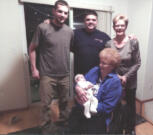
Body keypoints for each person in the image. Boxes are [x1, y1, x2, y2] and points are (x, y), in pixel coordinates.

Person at [28, 0, 74, 134]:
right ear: (54, 11)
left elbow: (68, 48)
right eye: (60, 11)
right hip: (47, 74)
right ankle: (45, 127)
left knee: (65, 102)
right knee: (45, 105)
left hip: (64, 74)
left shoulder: (70, 31)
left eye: (65, 13)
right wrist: (34, 69)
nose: (62, 15)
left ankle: (63, 121)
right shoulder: (42, 28)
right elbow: (32, 49)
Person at [69, 48, 122, 134]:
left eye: (104, 63)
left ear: (112, 66)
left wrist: (87, 105)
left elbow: (106, 108)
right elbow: (81, 82)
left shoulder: (114, 82)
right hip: (81, 109)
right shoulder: (95, 70)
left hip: (98, 117)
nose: (100, 65)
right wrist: (77, 88)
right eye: (100, 62)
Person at [105, 14, 141, 135]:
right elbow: (108, 63)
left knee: (130, 106)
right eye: (117, 25)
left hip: (130, 80)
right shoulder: (109, 44)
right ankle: (117, 129)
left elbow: (137, 63)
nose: (119, 27)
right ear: (113, 27)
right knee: (116, 105)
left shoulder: (133, 42)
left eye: (122, 25)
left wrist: (126, 76)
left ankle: (130, 129)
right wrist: (117, 77)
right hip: (115, 80)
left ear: (126, 26)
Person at [71, 10, 111, 75]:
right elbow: (63, 38)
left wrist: (129, 38)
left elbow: (113, 50)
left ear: (97, 22)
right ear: (84, 21)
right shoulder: (75, 34)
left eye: (93, 20)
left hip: (97, 75)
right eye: (88, 20)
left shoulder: (104, 36)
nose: (91, 22)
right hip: (79, 76)